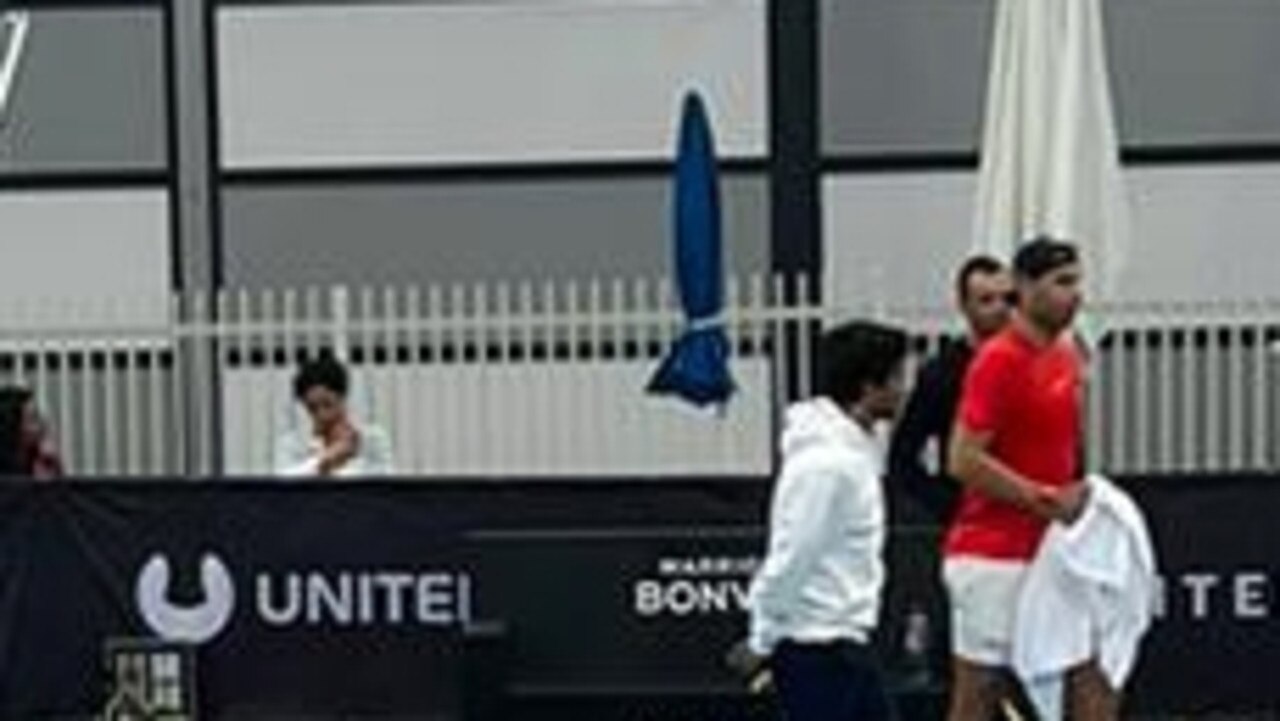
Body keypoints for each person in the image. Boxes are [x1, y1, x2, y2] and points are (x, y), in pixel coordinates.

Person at [945, 238, 1115, 720]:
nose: (1076, 294)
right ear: (1024, 287)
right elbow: (963, 460)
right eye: (1062, 283)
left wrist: (1076, 498)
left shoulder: (1065, 355)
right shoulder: (998, 361)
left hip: (1055, 550)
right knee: (978, 694)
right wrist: (1040, 497)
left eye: (1078, 281)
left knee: (1092, 675)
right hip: (992, 555)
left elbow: (1062, 453)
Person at [746, 320, 910, 721]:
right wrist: (762, 638)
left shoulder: (848, 455)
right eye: (897, 378)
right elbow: (794, 555)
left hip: (842, 647)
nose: (904, 389)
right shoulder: (828, 464)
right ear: (869, 388)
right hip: (818, 651)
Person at [889, 254, 1014, 526]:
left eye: (1008, 299)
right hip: (973, 517)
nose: (1000, 309)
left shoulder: (1038, 363)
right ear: (964, 306)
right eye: (986, 300)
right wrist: (949, 507)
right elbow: (903, 456)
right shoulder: (942, 373)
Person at [273, 353, 394, 477]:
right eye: (312, 408)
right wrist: (324, 462)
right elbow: (283, 485)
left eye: (328, 404)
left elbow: (383, 488)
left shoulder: (373, 439)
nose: (322, 415)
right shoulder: (292, 443)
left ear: (342, 398)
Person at [0, 385, 63, 478]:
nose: (42, 426)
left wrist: (50, 463)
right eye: (33, 419)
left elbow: (60, 490)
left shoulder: (37, 458)